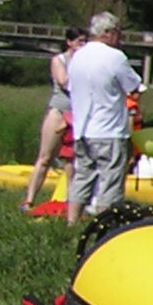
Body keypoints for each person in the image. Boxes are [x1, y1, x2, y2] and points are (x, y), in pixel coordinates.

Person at [65, 13, 143, 224]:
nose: (120, 37)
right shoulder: (115, 57)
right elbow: (134, 88)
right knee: (110, 180)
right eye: (118, 32)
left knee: (83, 176)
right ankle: (104, 224)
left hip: (82, 128)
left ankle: (71, 221)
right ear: (108, 33)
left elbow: (71, 87)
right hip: (109, 128)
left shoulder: (77, 56)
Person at [23, 26, 87, 212]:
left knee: (71, 161)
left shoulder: (87, 62)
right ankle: (29, 201)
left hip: (77, 114)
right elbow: (64, 81)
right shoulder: (59, 60)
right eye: (79, 41)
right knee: (45, 157)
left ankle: (70, 203)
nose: (83, 45)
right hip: (59, 110)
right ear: (69, 42)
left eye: (85, 41)